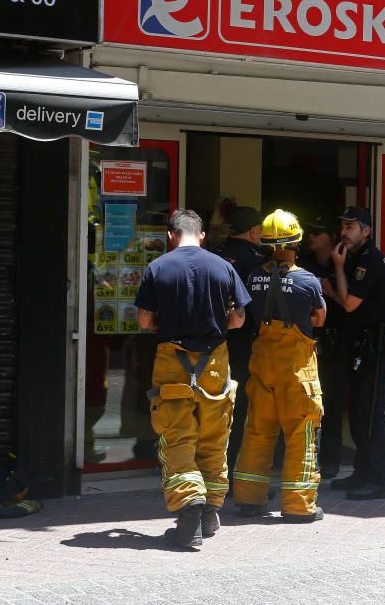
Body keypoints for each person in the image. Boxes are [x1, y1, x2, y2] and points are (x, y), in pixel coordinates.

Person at [135, 209, 251, 549]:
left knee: (178, 436)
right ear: (201, 235)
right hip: (215, 361)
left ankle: (189, 513)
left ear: (172, 235)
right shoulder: (223, 266)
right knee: (214, 437)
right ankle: (211, 511)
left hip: (172, 360)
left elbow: (144, 320)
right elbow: (239, 319)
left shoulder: (158, 268)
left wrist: (162, 326)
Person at [232, 209, 327, 522]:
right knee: (301, 433)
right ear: (296, 242)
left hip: (262, 363)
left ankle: (248, 498)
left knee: (257, 431)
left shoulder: (252, 277)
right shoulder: (307, 280)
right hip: (296, 369)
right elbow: (319, 317)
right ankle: (299, 506)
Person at [326, 206, 385, 500]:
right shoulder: (354, 256)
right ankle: (362, 470)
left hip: (374, 346)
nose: (344, 232)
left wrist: (336, 277)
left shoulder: (369, 259)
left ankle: (379, 481)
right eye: (343, 226)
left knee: (369, 414)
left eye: (351, 227)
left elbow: (350, 303)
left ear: (366, 231)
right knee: (356, 412)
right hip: (358, 345)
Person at [214, 206, 264, 483]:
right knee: (240, 409)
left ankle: (212, 472)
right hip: (243, 345)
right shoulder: (255, 261)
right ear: (255, 231)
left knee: (214, 408)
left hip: (213, 343)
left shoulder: (214, 255)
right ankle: (232, 475)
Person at [300, 215, 348, 480]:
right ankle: (299, 458)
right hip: (306, 340)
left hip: (335, 341)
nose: (312, 237)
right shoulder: (303, 265)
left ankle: (331, 460)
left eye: (318, 233)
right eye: (310, 232)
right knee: (301, 401)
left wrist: (330, 292)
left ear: (331, 238)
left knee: (330, 402)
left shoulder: (342, 265)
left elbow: (351, 305)